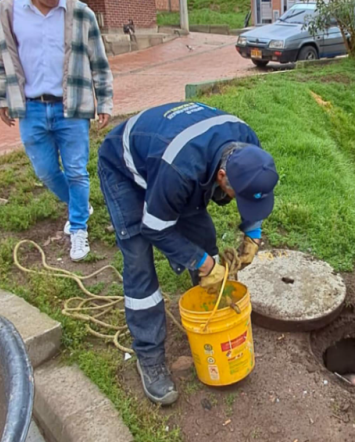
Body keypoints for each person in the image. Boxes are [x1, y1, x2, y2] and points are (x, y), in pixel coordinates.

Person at [97, 101, 279, 405]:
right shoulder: (180, 170)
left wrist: (253, 232)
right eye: (238, 197)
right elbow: (154, 229)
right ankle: (149, 357)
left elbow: (252, 189)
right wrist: (202, 263)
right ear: (222, 176)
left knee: (203, 238)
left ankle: (210, 315)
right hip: (126, 170)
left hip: (172, 162)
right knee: (140, 262)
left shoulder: (249, 146)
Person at [0, 0, 113, 261]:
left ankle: (79, 228)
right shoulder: (8, 13)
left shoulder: (80, 13)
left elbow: (99, 62)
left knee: (76, 171)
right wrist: (1, 97)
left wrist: (105, 101)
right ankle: (80, 205)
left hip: (70, 107)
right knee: (45, 171)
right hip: (30, 106)